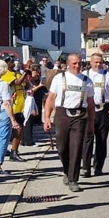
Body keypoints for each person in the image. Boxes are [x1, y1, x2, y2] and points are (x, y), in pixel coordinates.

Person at [43, 54, 95, 192]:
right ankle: (67, 170)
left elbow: (90, 103)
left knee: (76, 147)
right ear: (68, 64)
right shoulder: (59, 79)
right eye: (74, 63)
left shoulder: (87, 81)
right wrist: (47, 118)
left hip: (80, 115)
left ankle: (73, 179)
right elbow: (50, 99)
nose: (77, 66)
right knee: (62, 148)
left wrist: (91, 123)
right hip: (62, 114)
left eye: (79, 63)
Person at [82, 53, 109, 177]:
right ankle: (86, 167)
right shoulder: (84, 75)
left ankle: (98, 167)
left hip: (104, 110)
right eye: (96, 62)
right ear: (91, 62)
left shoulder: (108, 75)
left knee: (101, 140)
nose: (98, 64)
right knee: (87, 139)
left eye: (100, 62)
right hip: (88, 110)